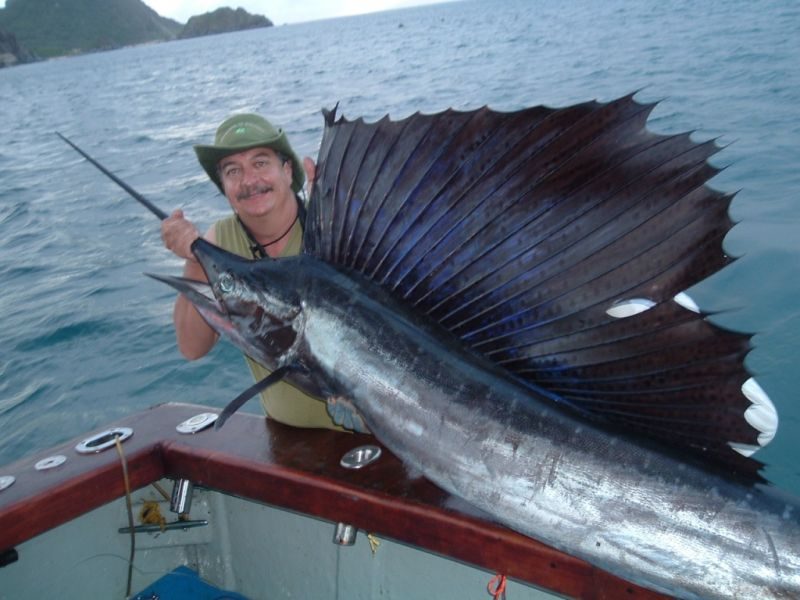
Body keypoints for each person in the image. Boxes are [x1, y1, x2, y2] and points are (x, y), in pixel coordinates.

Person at [160, 113, 342, 430]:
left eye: (261, 163)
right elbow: (192, 348)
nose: (249, 180)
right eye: (233, 171)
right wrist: (194, 257)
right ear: (224, 187)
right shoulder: (220, 242)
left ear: (288, 171)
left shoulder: (332, 227)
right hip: (288, 442)